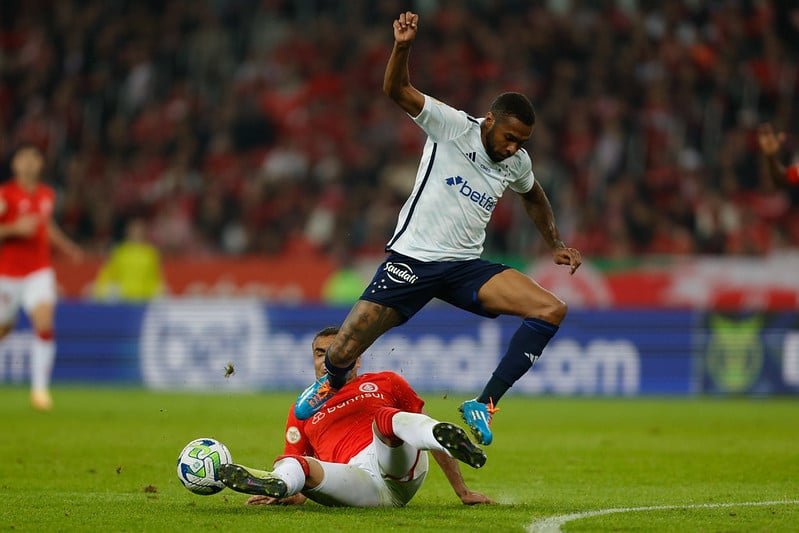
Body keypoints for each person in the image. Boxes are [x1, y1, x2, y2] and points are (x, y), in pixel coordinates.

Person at [294, 11, 582, 446]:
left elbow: (534, 195)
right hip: (413, 258)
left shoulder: (517, 163)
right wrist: (403, 46)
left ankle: (483, 404)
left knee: (551, 309)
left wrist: (555, 243)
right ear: (490, 120)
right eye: (509, 137)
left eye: (522, 142)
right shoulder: (452, 126)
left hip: (463, 266)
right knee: (344, 348)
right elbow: (395, 90)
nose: (513, 147)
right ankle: (329, 381)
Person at [219, 326, 493, 507]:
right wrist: (293, 492)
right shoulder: (301, 409)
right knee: (295, 462)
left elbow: (414, 424)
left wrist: (462, 491)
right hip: (357, 482)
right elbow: (298, 466)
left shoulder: (386, 381)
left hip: (398, 464)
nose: (327, 360)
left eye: (337, 353)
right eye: (319, 353)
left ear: (356, 358)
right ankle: (277, 484)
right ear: (312, 359)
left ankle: (439, 435)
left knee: (387, 419)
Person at [0, 143, 83, 410]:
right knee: (3, 328)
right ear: (15, 165)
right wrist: (13, 228)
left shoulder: (47, 194)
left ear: (40, 164)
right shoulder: (5, 195)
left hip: (39, 271)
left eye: (34, 157)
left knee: (45, 322)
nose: (29, 162)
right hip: (8, 274)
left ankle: (39, 391)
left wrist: (67, 246)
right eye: (23, 157)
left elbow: (46, 227)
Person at [93, 217, 164, 302]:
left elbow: (156, 279)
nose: (136, 232)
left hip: (144, 298)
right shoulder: (119, 252)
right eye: (134, 229)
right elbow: (107, 275)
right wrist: (101, 291)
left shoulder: (150, 254)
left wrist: (154, 294)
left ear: (144, 232)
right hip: (122, 298)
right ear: (128, 231)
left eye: (139, 230)